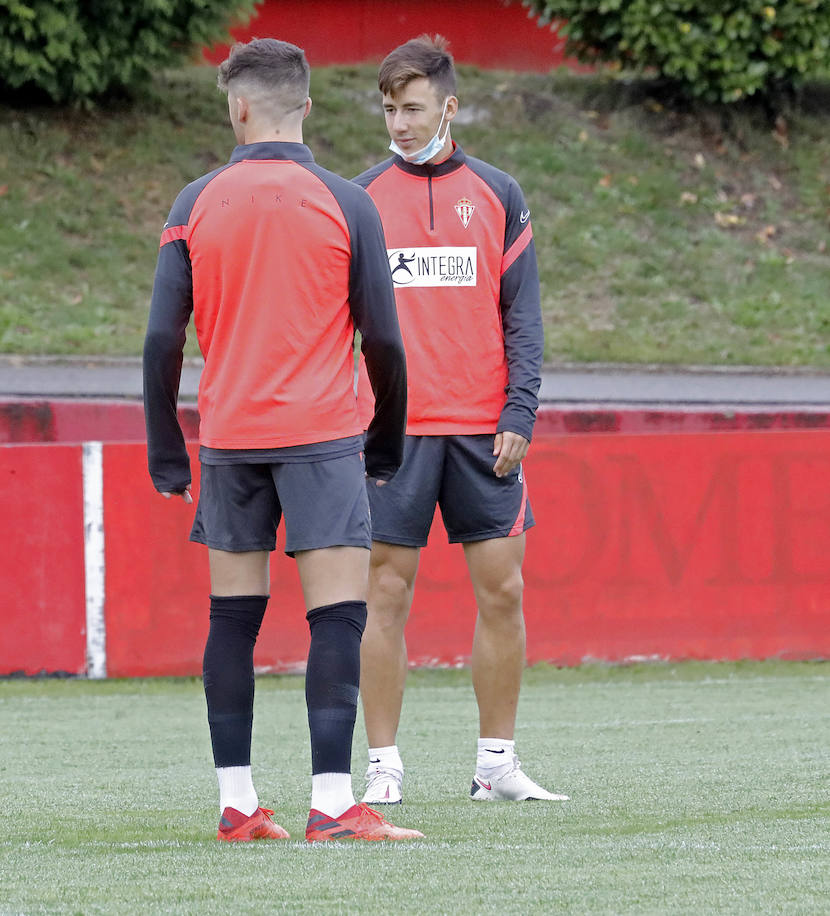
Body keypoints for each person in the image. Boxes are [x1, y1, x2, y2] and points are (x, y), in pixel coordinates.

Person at [144, 38, 422, 843]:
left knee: (232, 618)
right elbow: (388, 344)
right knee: (336, 617)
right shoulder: (350, 201)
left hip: (229, 440)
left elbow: (164, 340)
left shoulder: (193, 203)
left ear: (237, 107)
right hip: (324, 436)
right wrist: (385, 444)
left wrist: (169, 450)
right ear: (307, 105)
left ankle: (237, 806)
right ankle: (333, 807)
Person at [349, 36, 567, 804]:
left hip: (484, 431)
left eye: (412, 109)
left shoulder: (500, 193)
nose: (399, 123)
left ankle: (497, 766)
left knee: (503, 592)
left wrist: (520, 409)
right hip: (393, 433)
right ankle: (383, 768)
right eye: (388, 109)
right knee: (383, 592)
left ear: (448, 107)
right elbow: (337, 318)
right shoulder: (361, 197)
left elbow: (524, 319)